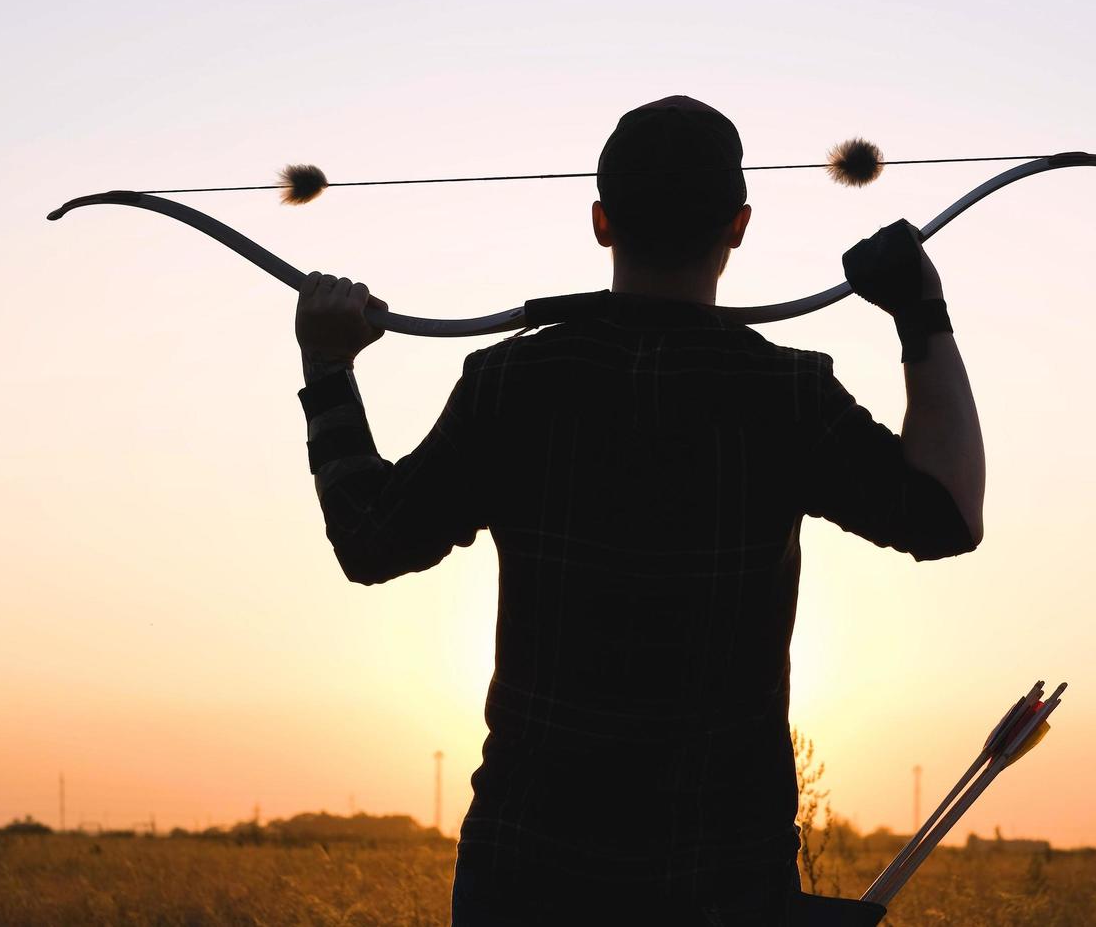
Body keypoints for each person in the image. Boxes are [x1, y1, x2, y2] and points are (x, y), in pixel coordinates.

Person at [291, 96, 984, 926]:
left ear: (600, 221)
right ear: (738, 226)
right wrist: (919, 311)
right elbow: (946, 516)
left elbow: (370, 541)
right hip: (721, 877)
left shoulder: (513, 386)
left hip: (526, 871)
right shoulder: (784, 395)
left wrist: (328, 366)